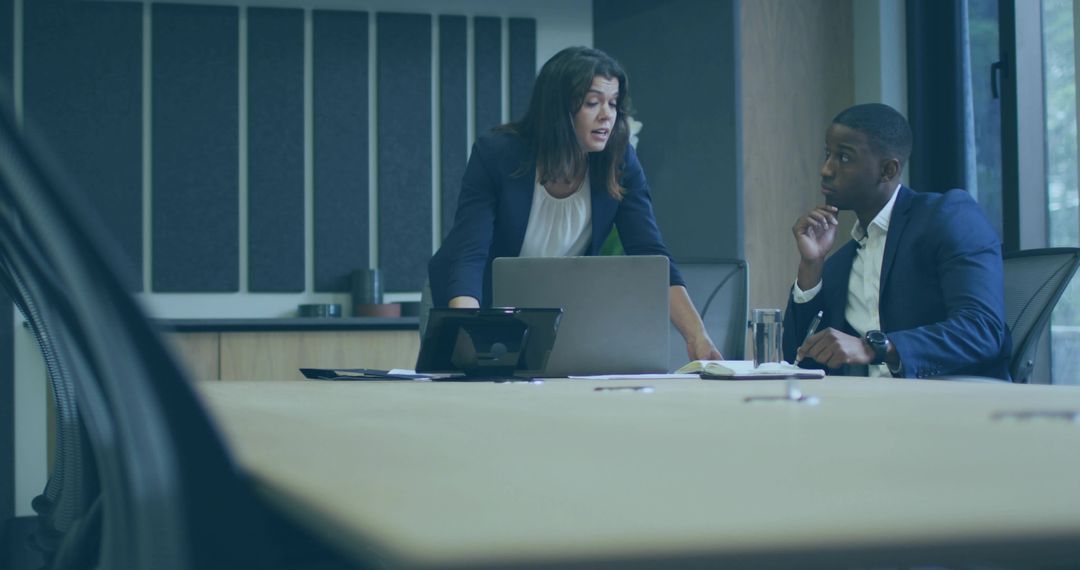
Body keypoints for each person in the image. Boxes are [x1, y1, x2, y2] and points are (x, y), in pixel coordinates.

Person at [428, 46, 721, 361]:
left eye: (613, 103)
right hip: (470, 303)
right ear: (558, 109)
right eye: (592, 102)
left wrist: (698, 337)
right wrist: (468, 329)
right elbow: (469, 253)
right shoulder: (497, 155)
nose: (607, 114)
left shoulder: (619, 161)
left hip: (548, 317)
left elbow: (652, 255)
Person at [782, 103, 1010, 379]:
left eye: (843, 158)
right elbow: (798, 358)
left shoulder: (948, 216)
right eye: (828, 154)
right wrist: (811, 266)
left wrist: (877, 348)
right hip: (868, 409)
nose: (826, 169)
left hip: (950, 402)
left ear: (888, 171)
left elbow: (982, 329)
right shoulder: (843, 263)